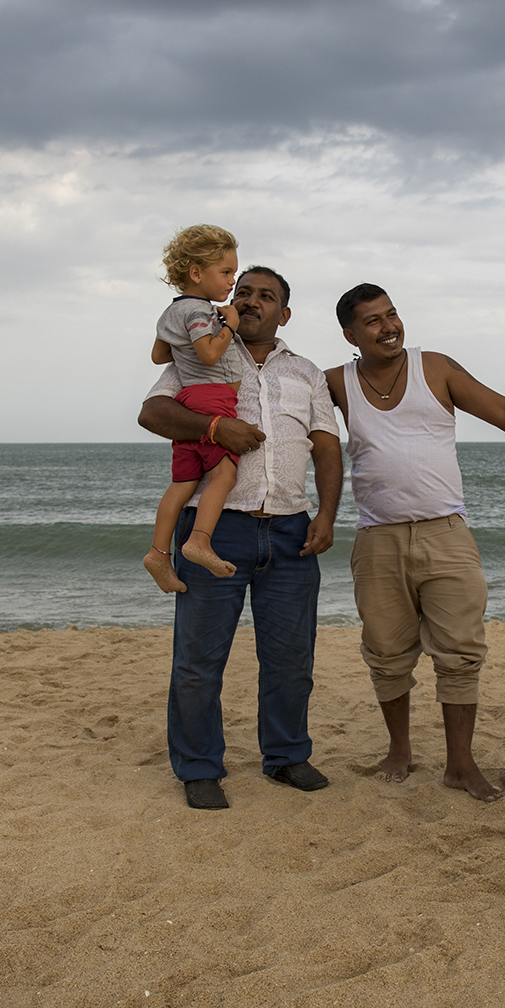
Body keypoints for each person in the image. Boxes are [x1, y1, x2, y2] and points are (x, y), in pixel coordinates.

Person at [324, 285, 505, 803]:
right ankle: (400, 750)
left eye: (392, 315)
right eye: (373, 322)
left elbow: (501, 409)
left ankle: (460, 763)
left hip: (446, 534)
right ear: (350, 334)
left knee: (460, 654)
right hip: (377, 538)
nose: (389, 327)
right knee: (386, 653)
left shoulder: (436, 369)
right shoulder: (335, 383)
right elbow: (296, 429)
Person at [138, 266, 343, 811]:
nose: (251, 301)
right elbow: (152, 411)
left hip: (291, 528)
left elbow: (325, 444)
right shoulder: (198, 355)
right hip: (217, 527)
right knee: (199, 660)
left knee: (291, 657)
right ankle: (200, 766)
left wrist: (327, 515)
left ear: (285, 312)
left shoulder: (305, 373)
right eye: (243, 291)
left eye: (265, 296)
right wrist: (211, 429)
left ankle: (286, 756)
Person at [142, 224, 247, 590]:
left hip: (187, 398)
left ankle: (158, 553)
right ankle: (199, 540)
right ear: (197, 273)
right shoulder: (201, 311)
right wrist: (229, 325)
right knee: (223, 475)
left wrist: (185, 343)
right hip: (212, 398)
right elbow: (208, 354)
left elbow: (159, 355)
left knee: (182, 482)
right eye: (226, 272)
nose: (232, 280)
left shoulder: (171, 313)